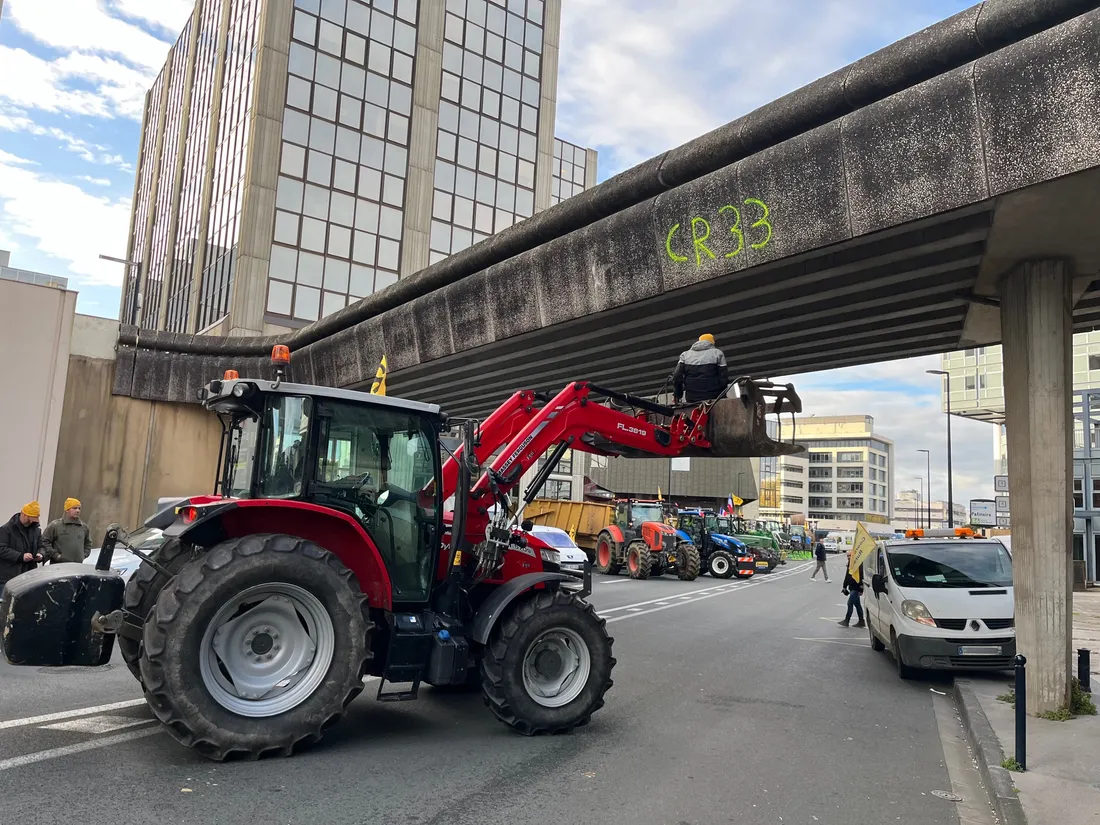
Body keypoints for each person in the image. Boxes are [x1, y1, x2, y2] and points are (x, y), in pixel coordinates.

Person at [0, 501, 44, 599]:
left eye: (34, 519)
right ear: (23, 514)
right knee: (5, 607)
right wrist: (20, 556)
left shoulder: (36, 531)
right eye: (30, 518)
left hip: (29, 577)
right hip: (8, 577)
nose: (32, 521)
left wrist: (40, 554)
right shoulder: (6, 529)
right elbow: (1, 549)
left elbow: (42, 546)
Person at [672, 333, 729, 404]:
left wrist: (678, 395)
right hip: (714, 397)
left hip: (692, 398)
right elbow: (724, 378)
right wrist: (722, 395)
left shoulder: (685, 355)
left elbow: (677, 377)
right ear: (712, 342)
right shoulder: (718, 353)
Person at [42, 497, 92, 564]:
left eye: (79, 508)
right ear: (67, 510)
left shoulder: (84, 527)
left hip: (77, 566)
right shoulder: (55, 525)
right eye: (74, 508)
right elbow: (44, 541)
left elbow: (88, 543)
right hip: (59, 566)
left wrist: (83, 555)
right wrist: (56, 556)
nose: (78, 510)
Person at [839, 553, 865, 627]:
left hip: (856, 588)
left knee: (850, 603)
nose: (848, 557)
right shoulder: (850, 564)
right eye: (847, 556)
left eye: (850, 556)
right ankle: (861, 621)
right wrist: (844, 586)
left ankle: (847, 620)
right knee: (857, 605)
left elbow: (861, 576)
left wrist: (861, 589)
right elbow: (847, 576)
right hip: (852, 587)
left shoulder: (858, 564)